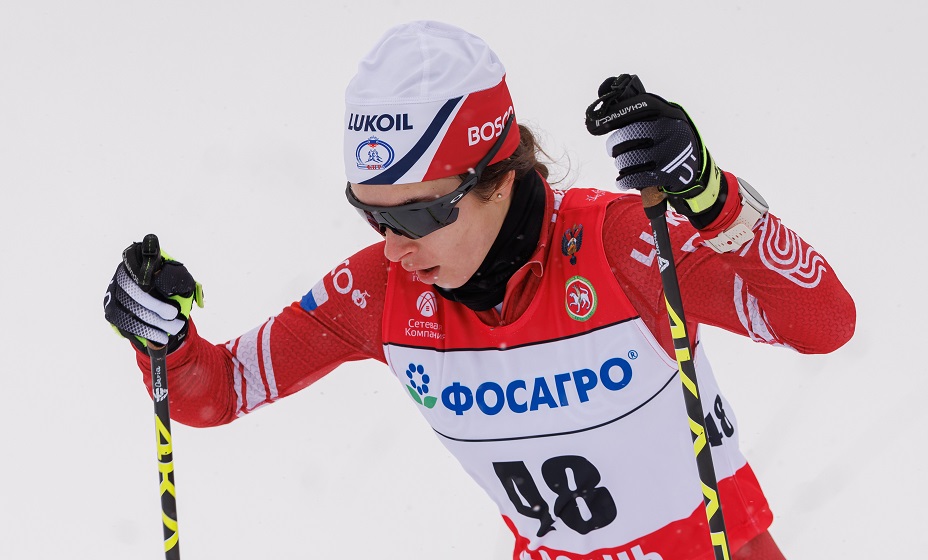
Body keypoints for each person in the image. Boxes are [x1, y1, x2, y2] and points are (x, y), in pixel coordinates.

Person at [104, 20, 855, 560]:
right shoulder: (381, 292)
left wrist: (713, 199)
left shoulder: (620, 245)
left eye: (419, 215)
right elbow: (219, 389)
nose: (394, 247)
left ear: (498, 177)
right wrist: (164, 341)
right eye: (371, 215)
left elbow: (825, 322)